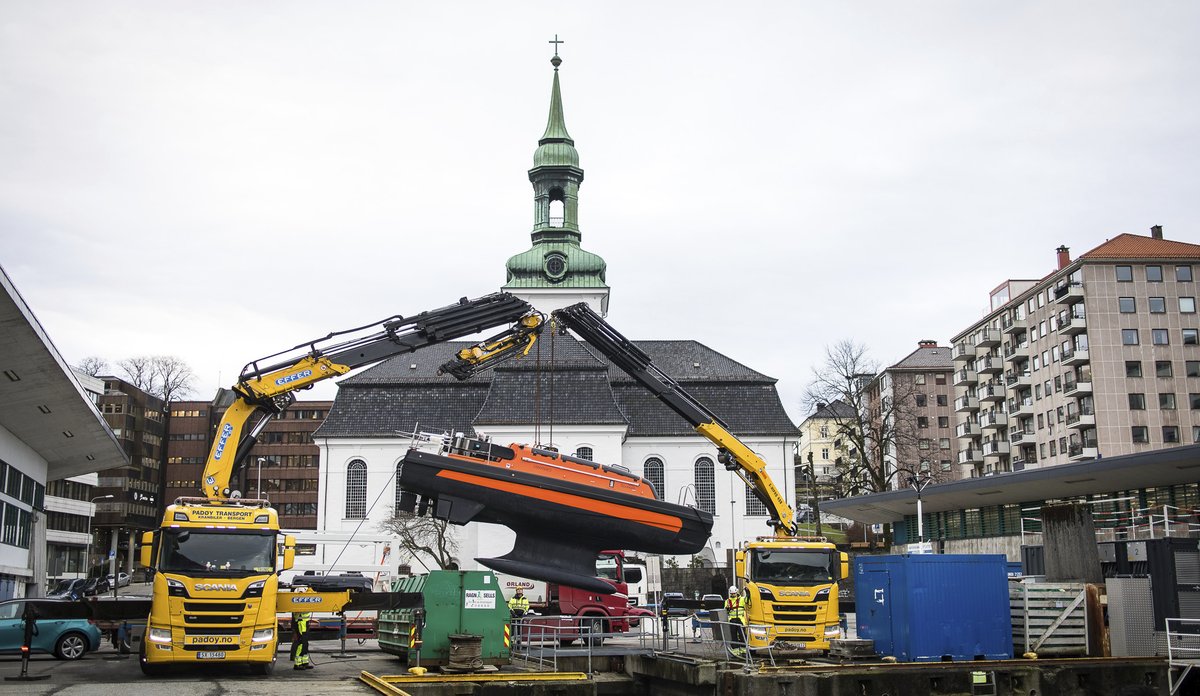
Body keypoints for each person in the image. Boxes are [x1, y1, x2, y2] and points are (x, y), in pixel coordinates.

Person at [725, 584, 746, 654]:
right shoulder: (727, 601)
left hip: (740, 620)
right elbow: (725, 611)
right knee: (733, 636)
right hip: (732, 620)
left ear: (736, 592)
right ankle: (735, 651)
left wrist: (748, 592)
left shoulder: (742, 599)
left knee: (742, 635)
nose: (733, 595)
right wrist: (727, 609)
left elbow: (748, 601)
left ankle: (744, 650)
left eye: (734, 593)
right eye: (732, 594)